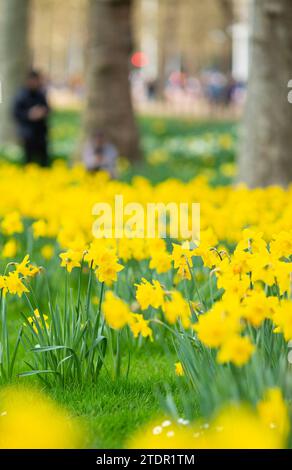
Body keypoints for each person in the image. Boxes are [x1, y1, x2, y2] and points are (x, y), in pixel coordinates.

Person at [13, 70, 50, 167]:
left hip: (41, 132)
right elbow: (15, 113)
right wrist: (29, 115)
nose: (35, 83)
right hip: (28, 133)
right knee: (28, 159)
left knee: (43, 159)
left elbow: (48, 108)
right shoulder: (21, 95)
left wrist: (42, 112)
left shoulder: (41, 94)